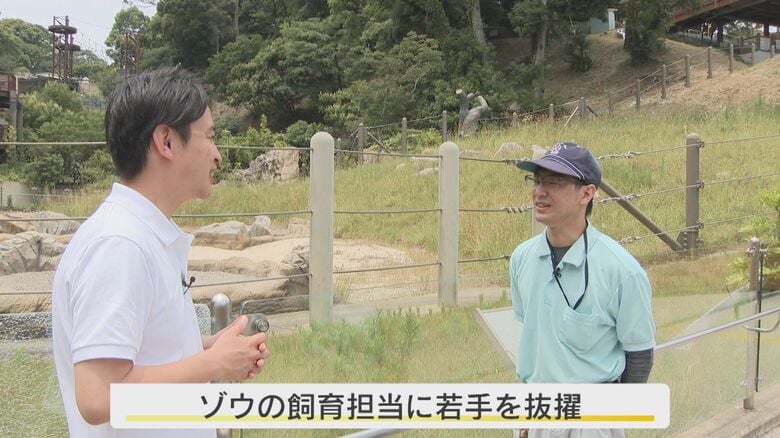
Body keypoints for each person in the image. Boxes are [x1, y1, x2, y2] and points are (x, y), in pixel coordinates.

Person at [51, 67, 270, 437]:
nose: (217, 155)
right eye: (209, 137)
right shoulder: (120, 244)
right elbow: (98, 396)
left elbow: (142, 354)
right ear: (166, 141)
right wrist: (212, 363)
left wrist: (210, 349)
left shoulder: (139, 236)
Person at [509, 143, 656, 438]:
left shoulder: (622, 271)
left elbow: (640, 354)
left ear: (587, 193)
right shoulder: (521, 258)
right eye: (536, 180)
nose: (539, 191)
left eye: (554, 182)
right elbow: (535, 341)